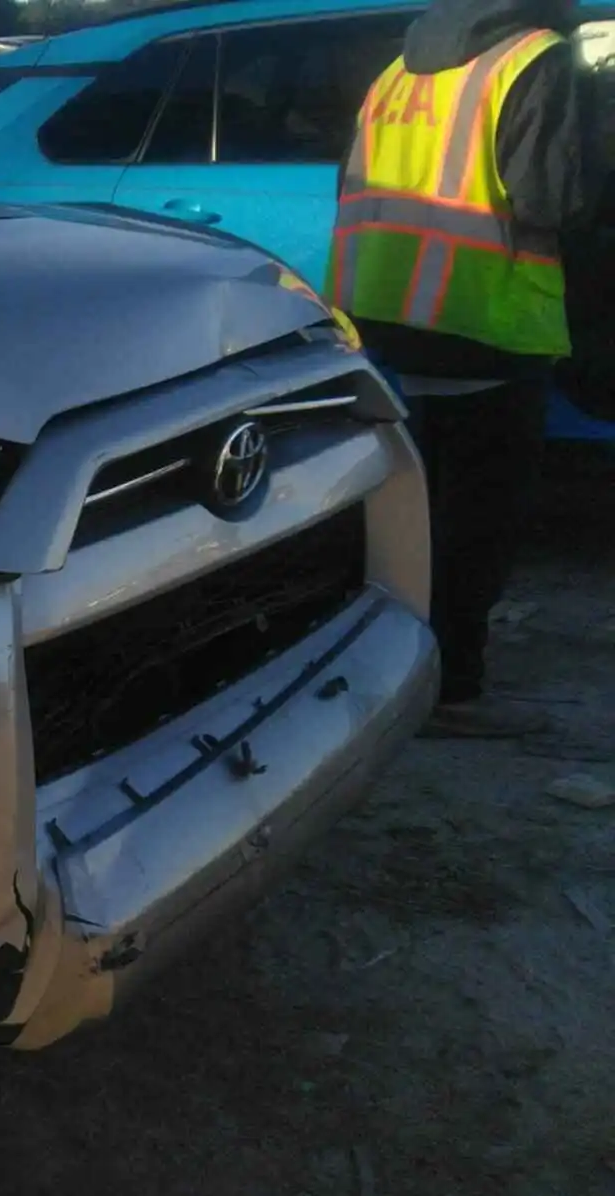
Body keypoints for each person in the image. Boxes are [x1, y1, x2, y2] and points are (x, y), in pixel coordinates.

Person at [328, 0, 600, 737]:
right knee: (478, 523)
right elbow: (553, 198)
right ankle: (453, 689)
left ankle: (388, 668)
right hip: (486, 322)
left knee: (411, 513)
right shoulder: (533, 58)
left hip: (390, 316)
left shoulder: (401, 65)